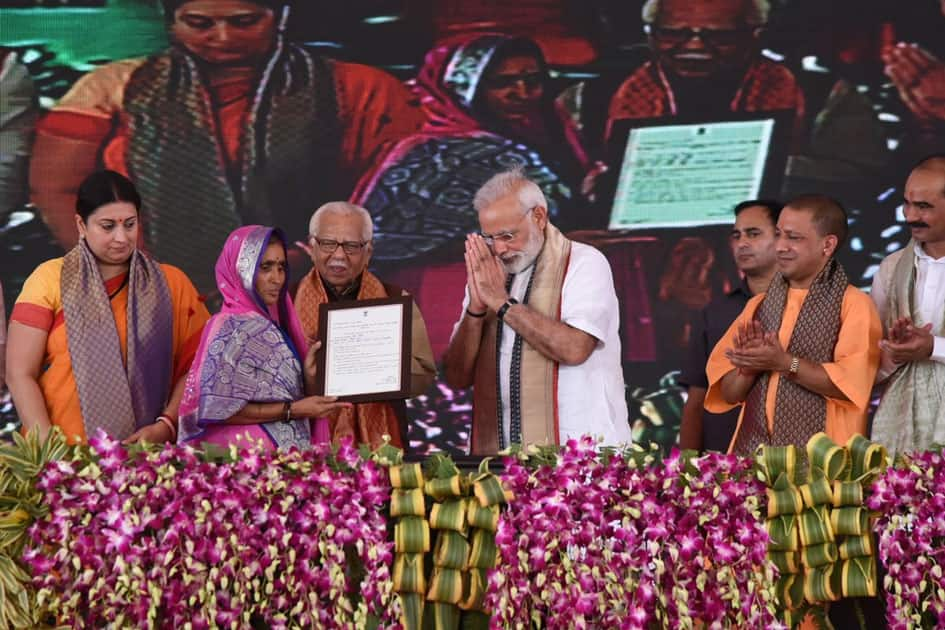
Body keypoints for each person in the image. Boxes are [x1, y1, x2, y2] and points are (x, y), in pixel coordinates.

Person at [28, 0, 424, 296]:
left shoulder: (358, 88)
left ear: (280, 15)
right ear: (171, 21)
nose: (222, 37)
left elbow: (404, 194)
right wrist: (119, 267)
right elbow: (59, 188)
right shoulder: (113, 87)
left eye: (244, 21)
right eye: (199, 23)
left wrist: (312, 257)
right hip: (153, 291)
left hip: (318, 286)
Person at [5, 170, 209, 444]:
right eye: (108, 226)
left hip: (149, 463)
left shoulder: (172, 284)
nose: (121, 238)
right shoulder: (49, 279)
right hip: (60, 458)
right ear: (81, 225)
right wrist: (48, 453)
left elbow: (199, 368)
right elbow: (19, 373)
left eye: (129, 224)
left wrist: (167, 425)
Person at [443, 168, 630, 454]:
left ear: (539, 217)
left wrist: (503, 304)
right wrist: (476, 310)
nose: (500, 249)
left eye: (508, 235)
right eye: (490, 238)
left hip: (579, 457)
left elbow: (574, 349)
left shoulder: (584, 263)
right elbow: (456, 378)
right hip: (498, 461)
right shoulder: (489, 275)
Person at [704, 194, 882, 454]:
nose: (780, 247)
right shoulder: (758, 306)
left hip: (826, 464)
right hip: (756, 463)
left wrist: (785, 363)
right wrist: (748, 369)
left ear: (827, 245)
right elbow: (729, 395)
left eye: (793, 238)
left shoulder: (854, 305)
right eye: (778, 235)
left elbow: (852, 387)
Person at [178, 225, 349, 450]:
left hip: (285, 465)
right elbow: (216, 407)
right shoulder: (228, 327)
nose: (276, 279)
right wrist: (294, 410)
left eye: (281, 267)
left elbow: (283, 392)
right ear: (240, 270)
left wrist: (307, 376)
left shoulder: (274, 324)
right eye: (265, 267)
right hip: (244, 465)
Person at [293, 202, 437, 450]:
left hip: (383, 444)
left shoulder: (395, 300)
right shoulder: (286, 300)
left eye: (351, 246)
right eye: (328, 243)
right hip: (304, 443)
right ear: (312, 246)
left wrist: (382, 366)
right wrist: (307, 378)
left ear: (368, 251)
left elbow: (424, 375)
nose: (339, 255)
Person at [605, 0, 804, 139]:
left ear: (755, 36)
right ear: (650, 36)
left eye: (718, 36)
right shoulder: (602, 90)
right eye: (673, 34)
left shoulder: (787, 86)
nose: (694, 47)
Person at [677, 199, 781, 452]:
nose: (742, 243)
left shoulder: (815, 309)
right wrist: (687, 471)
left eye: (753, 234)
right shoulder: (715, 313)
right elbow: (696, 400)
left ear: (783, 238)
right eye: (737, 235)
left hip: (795, 466)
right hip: (725, 469)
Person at [870, 155, 945, 454]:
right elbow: (872, 356)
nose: (910, 215)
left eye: (924, 207)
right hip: (901, 429)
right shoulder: (891, 268)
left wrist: (933, 348)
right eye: (907, 204)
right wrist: (895, 351)